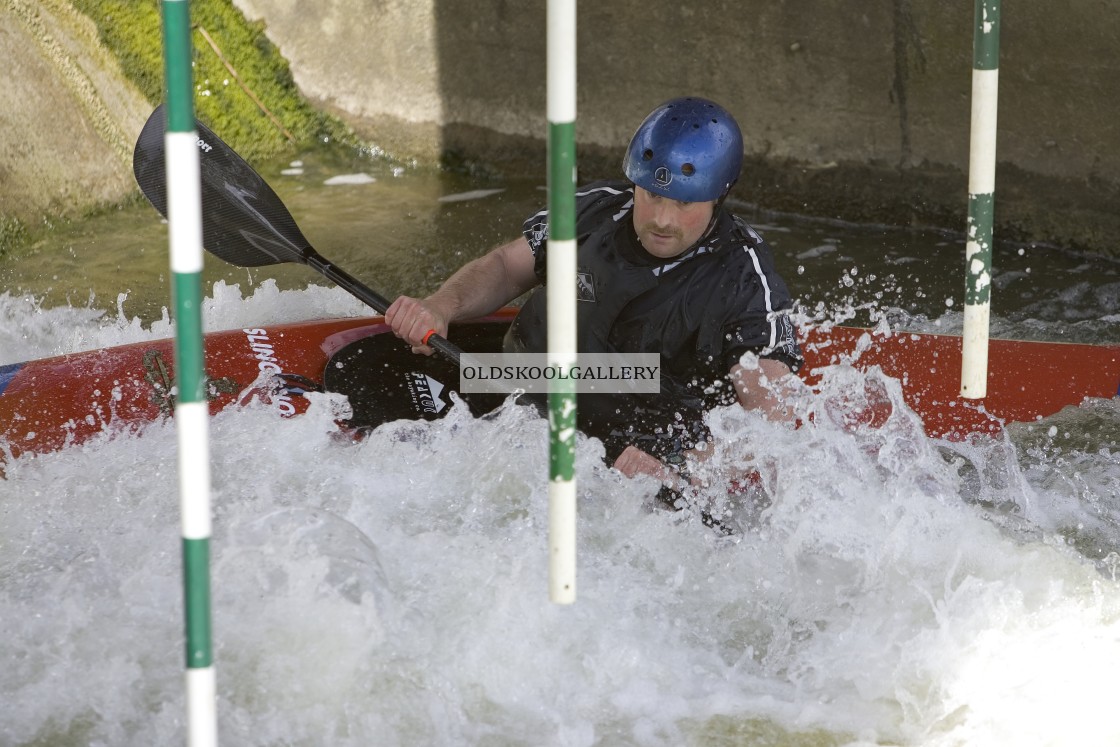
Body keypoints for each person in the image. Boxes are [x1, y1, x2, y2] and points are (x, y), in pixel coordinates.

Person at [386, 96, 802, 487]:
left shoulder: (744, 278)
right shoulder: (598, 207)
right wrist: (441, 305)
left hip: (622, 459)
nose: (661, 218)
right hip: (517, 392)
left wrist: (685, 465)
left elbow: (771, 423)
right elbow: (505, 268)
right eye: (652, 195)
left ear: (717, 197)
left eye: (683, 203)